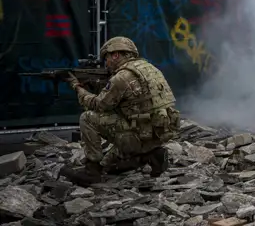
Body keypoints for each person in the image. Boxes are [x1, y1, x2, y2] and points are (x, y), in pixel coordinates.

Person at [60, 36, 180, 186]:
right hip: (157, 134)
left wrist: (77, 87)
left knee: (87, 118)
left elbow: (98, 105)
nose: (107, 63)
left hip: (138, 136)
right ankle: (152, 154)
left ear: (116, 54)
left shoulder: (122, 77)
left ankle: (91, 171)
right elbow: (133, 102)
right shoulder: (150, 69)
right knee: (109, 166)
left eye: (107, 58)